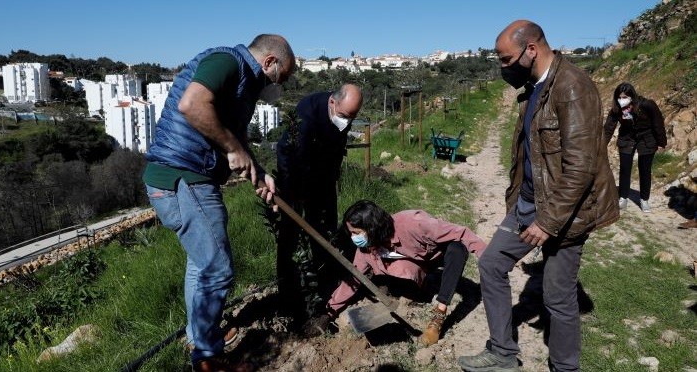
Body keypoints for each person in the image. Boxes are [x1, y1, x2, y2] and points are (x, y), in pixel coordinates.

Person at [457, 20, 619, 372]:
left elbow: (581, 167)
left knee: (558, 297)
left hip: (565, 211)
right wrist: (520, 204)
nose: (503, 67)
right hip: (528, 204)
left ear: (531, 48)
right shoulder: (534, 87)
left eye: (506, 59)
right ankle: (502, 354)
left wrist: (547, 222)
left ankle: (564, 367)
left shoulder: (572, 87)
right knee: (491, 264)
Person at [142, 34, 295, 371]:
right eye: (280, 80)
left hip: (191, 176)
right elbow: (192, 104)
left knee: (201, 264)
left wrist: (259, 172)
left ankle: (202, 336)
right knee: (217, 269)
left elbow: (234, 137)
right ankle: (208, 358)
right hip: (183, 176)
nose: (277, 88)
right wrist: (234, 150)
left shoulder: (244, 84)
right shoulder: (226, 62)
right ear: (270, 62)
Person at [325, 200, 487, 346]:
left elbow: (461, 232)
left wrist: (489, 259)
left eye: (356, 232)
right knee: (398, 269)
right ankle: (415, 290)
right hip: (418, 263)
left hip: (439, 255)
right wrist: (330, 310)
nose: (354, 237)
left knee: (457, 248)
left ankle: (439, 313)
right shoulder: (366, 249)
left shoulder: (413, 223)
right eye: (351, 233)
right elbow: (354, 278)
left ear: (372, 227)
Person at [275, 84, 363, 325]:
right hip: (294, 175)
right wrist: (295, 193)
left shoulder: (342, 115)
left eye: (353, 117)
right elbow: (293, 157)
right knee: (290, 235)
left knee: (325, 227)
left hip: (323, 176)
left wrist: (329, 183)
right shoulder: (307, 113)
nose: (347, 122)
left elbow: (335, 152)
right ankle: (288, 290)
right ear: (333, 103)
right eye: (345, 116)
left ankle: (325, 281)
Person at [604, 82, 667, 213]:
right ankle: (623, 197)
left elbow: (658, 122)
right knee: (625, 168)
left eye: (624, 97)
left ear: (632, 96)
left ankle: (644, 200)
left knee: (645, 169)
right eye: (619, 97)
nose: (622, 100)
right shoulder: (617, 109)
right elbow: (609, 128)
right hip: (627, 137)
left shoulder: (647, 105)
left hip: (646, 137)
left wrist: (661, 142)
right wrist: (601, 145)